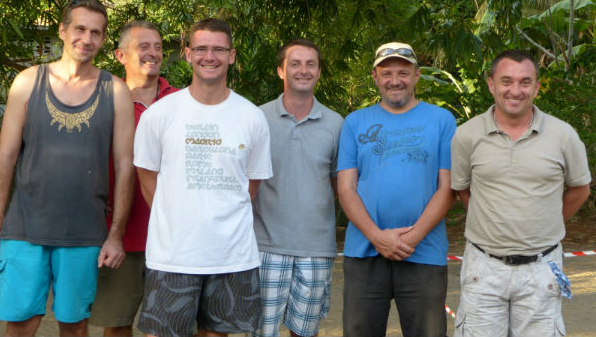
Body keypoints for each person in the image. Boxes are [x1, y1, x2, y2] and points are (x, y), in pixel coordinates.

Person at [0, 0, 135, 337]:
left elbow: (125, 164)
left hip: (84, 231)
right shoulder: (28, 82)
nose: (87, 39)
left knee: (74, 325)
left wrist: (115, 235)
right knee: (20, 323)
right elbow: (6, 156)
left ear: (103, 40)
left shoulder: (115, 90)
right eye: (80, 29)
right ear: (62, 30)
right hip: (24, 228)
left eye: (96, 33)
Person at [133, 18, 272, 337]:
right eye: (201, 48)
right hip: (173, 254)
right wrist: (178, 217)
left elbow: (250, 185)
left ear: (232, 55)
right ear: (187, 53)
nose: (210, 56)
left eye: (219, 49)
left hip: (232, 255)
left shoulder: (252, 117)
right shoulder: (160, 115)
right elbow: (147, 179)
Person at [451, 49, 591, 337]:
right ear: (491, 84)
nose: (515, 90)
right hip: (483, 267)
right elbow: (462, 189)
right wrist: (489, 221)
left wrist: (548, 221)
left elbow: (580, 189)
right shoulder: (466, 135)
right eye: (506, 81)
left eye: (525, 82)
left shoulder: (563, 135)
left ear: (537, 87)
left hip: (542, 269)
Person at [337, 42, 456, 337]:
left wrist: (410, 239)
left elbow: (447, 188)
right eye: (386, 73)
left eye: (403, 72)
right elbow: (346, 189)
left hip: (423, 251)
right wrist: (378, 239)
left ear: (416, 76)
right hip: (364, 251)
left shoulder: (442, 120)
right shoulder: (355, 122)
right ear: (375, 77)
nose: (395, 80)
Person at [90, 21, 179, 336]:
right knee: (116, 326)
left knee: (173, 327)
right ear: (120, 55)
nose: (153, 53)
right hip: (119, 236)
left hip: (174, 237)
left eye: (157, 46)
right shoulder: (103, 103)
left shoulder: (181, 102)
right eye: (144, 46)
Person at [252, 39, 343, 337]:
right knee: (259, 332)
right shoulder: (256, 119)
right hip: (265, 246)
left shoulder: (336, 124)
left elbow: (340, 187)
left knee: (305, 333)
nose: (303, 70)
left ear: (318, 72)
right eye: (295, 63)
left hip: (316, 249)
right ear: (280, 70)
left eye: (311, 64)